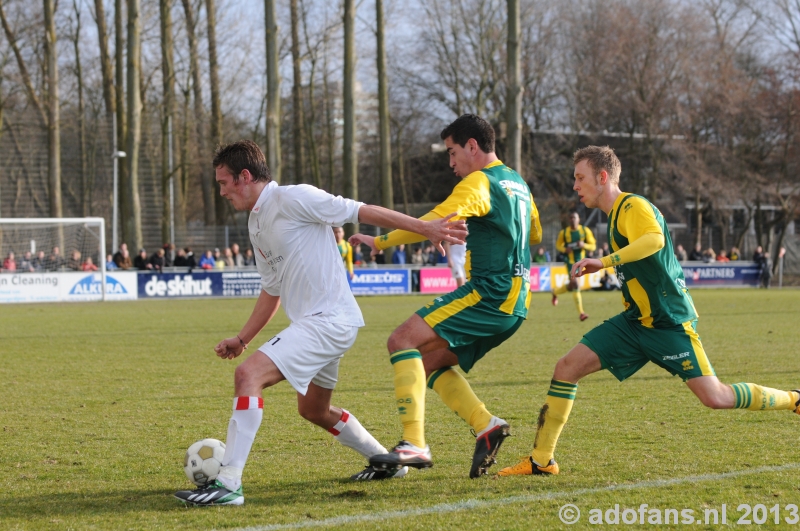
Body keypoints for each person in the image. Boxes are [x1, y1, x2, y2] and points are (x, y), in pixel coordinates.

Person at [174, 139, 467, 506]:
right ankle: (388, 463)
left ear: (244, 176)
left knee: (248, 376)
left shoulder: (293, 197)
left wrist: (425, 229)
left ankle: (228, 483)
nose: (221, 192)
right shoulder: (256, 222)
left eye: (223, 183)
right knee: (312, 409)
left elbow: (363, 209)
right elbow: (271, 289)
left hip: (327, 322)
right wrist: (242, 338)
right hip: (322, 325)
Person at [498, 145, 800, 478]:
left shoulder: (633, 205)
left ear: (602, 177)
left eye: (579, 177)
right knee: (566, 367)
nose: (575, 185)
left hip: (668, 323)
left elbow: (654, 239)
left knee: (716, 397)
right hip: (634, 323)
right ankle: (542, 461)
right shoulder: (614, 216)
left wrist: (605, 261)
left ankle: (793, 399)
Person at [349, 114, 542, 478]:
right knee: (425, 363)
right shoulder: (518, 183)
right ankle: (486, 425)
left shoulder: (479, 182)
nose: (451, 163)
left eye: (453, 153)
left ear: (472, 146)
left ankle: (414, 444)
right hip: (518, 303)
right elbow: (533, 233)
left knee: (400, 339)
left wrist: (379, 240)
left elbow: (431, 222)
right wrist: (492, 232)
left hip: (489, 294)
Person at [551, 211, 596, 322]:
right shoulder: (564, 233)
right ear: (568, 220)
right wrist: (564, 249)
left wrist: (584, 245)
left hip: (581, 262)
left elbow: (593, 246)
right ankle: (581, 313)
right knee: (575, 284)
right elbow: (558, 245)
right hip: (570, 262)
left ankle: (555, 292)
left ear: (578, 219)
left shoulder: (585, 231)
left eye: (574, 217)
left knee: (571, 285)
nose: (572, 220)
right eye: (570, 218)